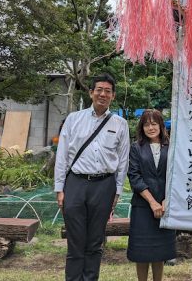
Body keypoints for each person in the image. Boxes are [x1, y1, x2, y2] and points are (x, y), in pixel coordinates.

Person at [54, 73, 130, 281]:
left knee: (95, 242)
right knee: (75, 240)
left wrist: (117, 191)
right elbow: (62, 155)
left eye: (107, 91)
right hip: (76, 183)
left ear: (113, 96)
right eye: (99, 90)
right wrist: (59, 188)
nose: (103, 94)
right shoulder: (73, 119)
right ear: (91, 93)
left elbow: (123, 161)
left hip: (104, 185)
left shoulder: (120, 124)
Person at [127, 109, 176, 281]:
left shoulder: (171, 147)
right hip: (142, 206)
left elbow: (175, 174)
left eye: (154, 123)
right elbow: (134, 177)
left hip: (165, 205)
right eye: (146, 124)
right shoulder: (135, 148)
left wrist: (166, 200)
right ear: (142, 127)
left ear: (161, 126)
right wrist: (152, 202)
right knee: (142, 251)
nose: (151, 127)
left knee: (160, 251)